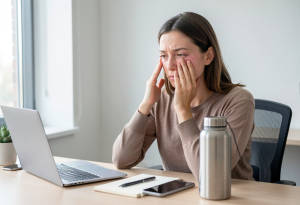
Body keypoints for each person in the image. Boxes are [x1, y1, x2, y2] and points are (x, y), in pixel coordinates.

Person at [112, 12, 254, 183]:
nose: (170, 65)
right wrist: (145, 106)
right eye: (164, 55)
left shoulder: (238, 101)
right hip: (177, 196)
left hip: (228, 197)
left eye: (180, 54)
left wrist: (183, 110)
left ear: (208, 55)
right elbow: (121, 160)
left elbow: (210, 176)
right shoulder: (163, 99)